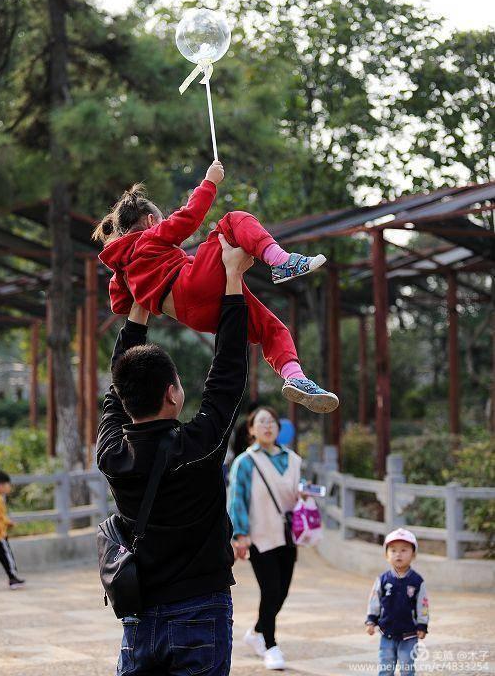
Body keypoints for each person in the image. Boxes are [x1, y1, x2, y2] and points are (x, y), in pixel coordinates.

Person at [97, 236, 251, 676]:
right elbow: (228, 376)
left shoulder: (113, 454)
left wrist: (140, 304)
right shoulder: (195, 447)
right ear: (172, 394)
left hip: (139, 618)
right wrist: (234, 279)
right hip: (201, 611)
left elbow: (116, 390)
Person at [94, 161, 339, 415]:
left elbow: (120, 305)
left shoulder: (121, 272)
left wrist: (134, 280)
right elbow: (188, 218)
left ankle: (295, 378)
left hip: (196, 317)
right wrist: (209, 182)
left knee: (271, 327)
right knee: (234, 220)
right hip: (192, 285)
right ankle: (281, 261)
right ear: (151, 220)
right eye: (162, 220)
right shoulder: (150, 237)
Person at [228, 406, 301, 671]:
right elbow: (237, 499)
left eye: (272, 421)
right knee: (270, 590)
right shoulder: (245, 462)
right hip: (259, 536)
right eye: (261, 422)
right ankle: (271, 646)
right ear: (251, 430)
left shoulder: (293, 460)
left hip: (288, 535)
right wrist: (240, 534)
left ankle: (257, 632)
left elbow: (296, 494)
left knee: (281, 593)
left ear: (278, 428)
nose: (267, 426)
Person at [365, 528, 429, 675]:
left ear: (413, 554)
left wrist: (422, 624)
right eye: (393, 550)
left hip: (410, 633)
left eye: (404, 550)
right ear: (386, 555)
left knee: (407, 666)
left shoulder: (417, 581)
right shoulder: (383, 580)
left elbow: (423, 604)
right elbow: (374, 601)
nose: (398, 554)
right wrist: (371, 620)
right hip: (386, 632)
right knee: (386, 666)